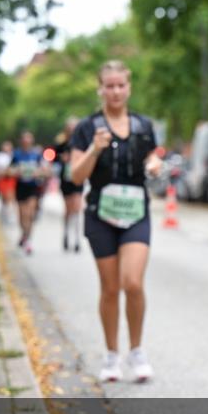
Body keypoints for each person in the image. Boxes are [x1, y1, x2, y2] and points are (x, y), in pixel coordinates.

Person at [69, 61, 162, 383]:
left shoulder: (143, 125)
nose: (115, 91)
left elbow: (151, 156)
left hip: (136, 211)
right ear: (100, 89)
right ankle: (111, 355)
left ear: (129, 87)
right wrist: (94, 149)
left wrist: (153, 164)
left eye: (121, 85)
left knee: (132, 283)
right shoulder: (87, 127)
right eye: (109, 86)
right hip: (101, 214)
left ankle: (137, 350)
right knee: (109, 288)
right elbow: (76, 175)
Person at [10, 131, 48, 254]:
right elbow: (9, 170)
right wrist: (17, 171)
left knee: (30, 214)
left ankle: (28, 240)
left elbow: (46, 170)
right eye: (24, 139)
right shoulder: (16, 154)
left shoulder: (36, 155)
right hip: (21, 187)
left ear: (32, 141)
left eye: (29, 139)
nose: (26, 141)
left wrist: (38, 172)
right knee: (22, 215)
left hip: (33, 187)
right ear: (21, 141)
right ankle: (24, 234)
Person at [56, 117, 84, 252]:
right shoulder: (62, 144)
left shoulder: (82, 143)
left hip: (78, 178)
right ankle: (66, 234)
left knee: (77, 208)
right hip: (66, 179)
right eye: (70, 128)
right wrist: (63, 159)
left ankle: (77, 239)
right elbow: (53, 157)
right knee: (68, 209)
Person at [0, 141, 16, 224]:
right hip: (2, 179)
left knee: (11, 197)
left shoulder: (14, 155)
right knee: (4, 198)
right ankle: (4, 214)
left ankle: (10, 215)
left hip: (11, 179)